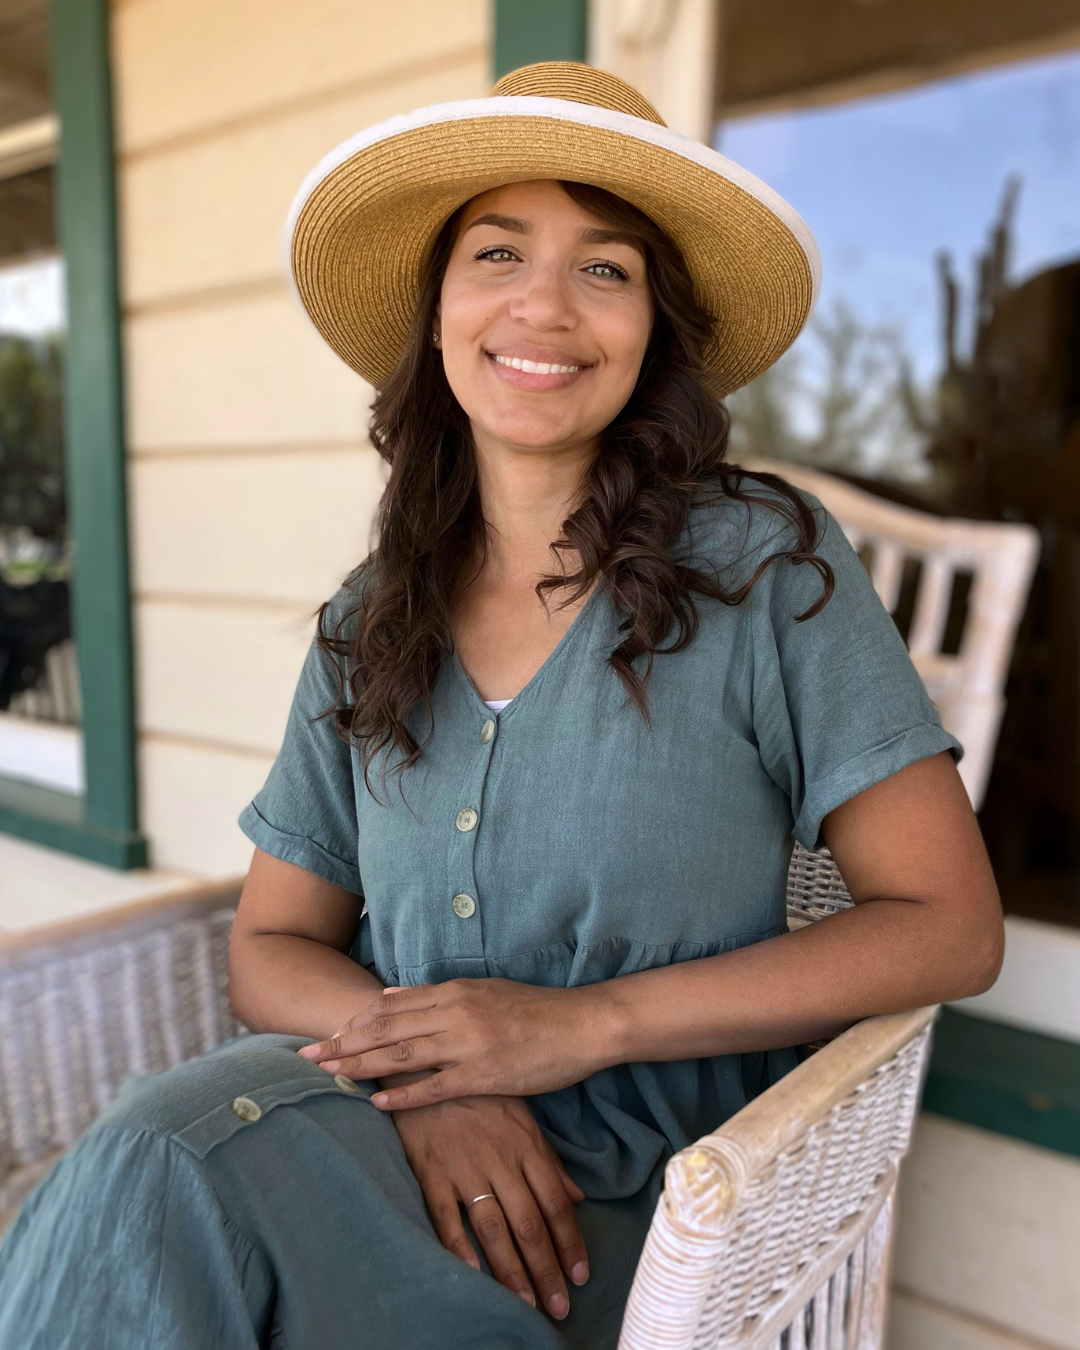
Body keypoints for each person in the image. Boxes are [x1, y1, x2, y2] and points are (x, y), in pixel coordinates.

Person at [0, 62, 1003, 1350]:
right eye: (497, 252)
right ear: (438, 314)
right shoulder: (371, 617)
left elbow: (949, 928)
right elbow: (272, 945)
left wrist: (578, 1027)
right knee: (156, 1171)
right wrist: (434, 1076)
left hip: (647, 1205)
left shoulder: (764, 568)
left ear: (653, 332)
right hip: (379, 1133)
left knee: (157, 1180)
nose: (544, 303)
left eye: (605, 268)